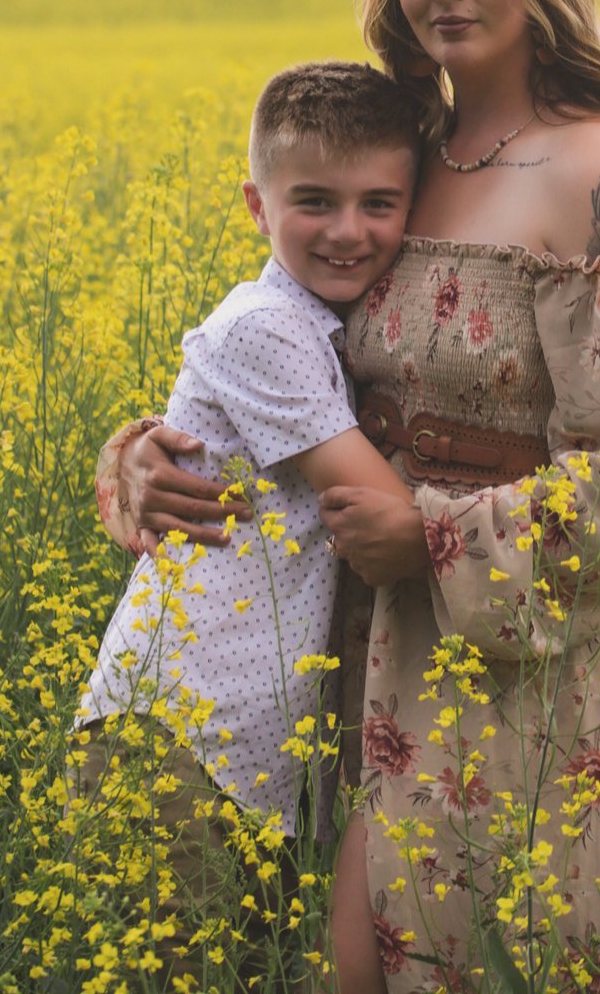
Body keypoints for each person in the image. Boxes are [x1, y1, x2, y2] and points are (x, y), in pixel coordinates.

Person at [101, 0, 600, 992]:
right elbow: (284, 343)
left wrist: (430, 535)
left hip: (515, 670)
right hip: (347, 649)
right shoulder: (403, 147)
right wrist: (152, 452)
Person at [73, 60, 421, 989]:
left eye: (379, 204)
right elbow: (376, 502)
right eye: (314, 201)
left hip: (245, 751)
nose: (349, 231)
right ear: (256, 207)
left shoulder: (323, 321)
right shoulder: (264, 328)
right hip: (177, 739)